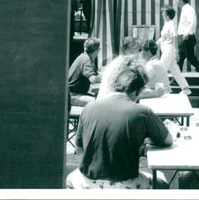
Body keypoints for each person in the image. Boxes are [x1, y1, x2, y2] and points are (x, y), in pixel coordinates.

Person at [66, 55, 172, 189]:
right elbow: (167, 140)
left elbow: (79, 148)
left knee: (70, 179)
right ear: (139, 90)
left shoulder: (89, 107)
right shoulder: (143, 112)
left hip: (87, 182)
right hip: (125, 183)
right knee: (161, 180)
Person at [98, 37, 165, 99]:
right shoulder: (126, 65)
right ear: (130, 51)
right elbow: (132, 93)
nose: (141, 53)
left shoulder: (118, 63)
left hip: (107, 101)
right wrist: (156, 93)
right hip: (110, 104)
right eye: (139, 50)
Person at [157, 6, 192, 94]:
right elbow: (163, 37)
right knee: (175, 70)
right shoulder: (166, 24)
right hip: (165, 48)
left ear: (168, 15)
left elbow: (174, 36)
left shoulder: (172, 23)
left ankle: (165, 89)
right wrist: (155, 43)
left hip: (169, 49)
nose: (162, 15)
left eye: (163, 13)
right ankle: (185, 88)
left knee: (161, 69)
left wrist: (176, 51)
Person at [68, 37, 102, 106]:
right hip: (74, 96)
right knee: (99, 103)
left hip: (74, 93)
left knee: (100, 98)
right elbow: (93, 79)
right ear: (97, 50)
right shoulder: (86, 60)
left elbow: (95, 74)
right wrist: (107, 77)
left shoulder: (84, 57)